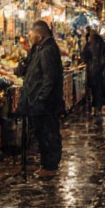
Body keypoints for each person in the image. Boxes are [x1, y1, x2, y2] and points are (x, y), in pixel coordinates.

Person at [18, 20, 65, 179]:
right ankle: (46, 164)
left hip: (46, 104)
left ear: (39, 35)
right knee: (41, 133)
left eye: (30, 35)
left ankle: (50, 166)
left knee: (48, 133)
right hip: (39, 101)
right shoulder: (40, 49)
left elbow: (49, 78)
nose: (28, 37)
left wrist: (40, 99)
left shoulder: (48, 50)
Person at [82, 28, 105, 114]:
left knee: (93, 88)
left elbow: (84, 56)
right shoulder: (102, 43)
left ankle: (94, 106)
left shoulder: (89, 44)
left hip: (92, 69)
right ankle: (98, 106)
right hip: (101, 69)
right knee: (99, 88)